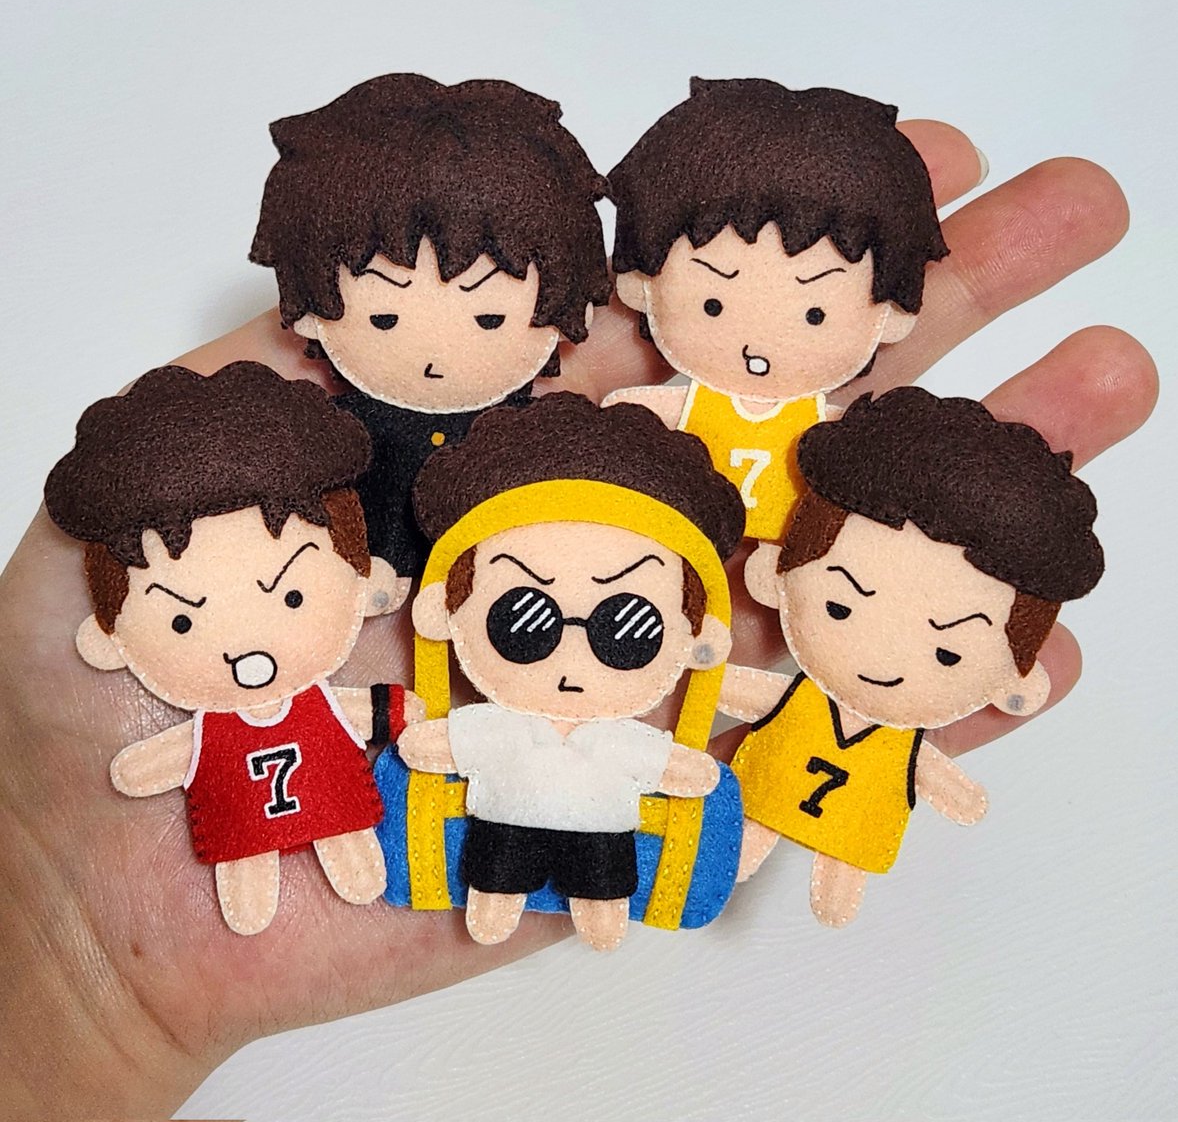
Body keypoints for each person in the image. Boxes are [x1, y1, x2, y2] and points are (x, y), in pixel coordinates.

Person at [0, 120, 1153, 1116]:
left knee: (640, 855)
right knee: (469, 858)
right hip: (451, 780)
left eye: (626, 635)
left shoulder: (774, 501)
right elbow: (394, 720)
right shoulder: (389, 528)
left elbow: (723, 721)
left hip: (618, 781)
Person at [42, 361, 421, 934]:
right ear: (110, 638)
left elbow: (372, 712)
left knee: (350, 847)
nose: (247, 648)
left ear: (362, 584)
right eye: (181, 622)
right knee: (247, 876)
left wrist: (393, 711)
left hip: (333, 802)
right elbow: (145, 768)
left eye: (291, 595)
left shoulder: (312, 701)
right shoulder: (212, 726)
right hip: (243, 821)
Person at [720, 386, 1104, 925]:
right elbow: (738, 690)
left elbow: (930, 771)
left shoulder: (899, 737)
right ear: (773, 575)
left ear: (1015, 678)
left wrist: (957, 793)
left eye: (948, 652)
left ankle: (828, 875)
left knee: (845, 856)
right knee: (750, 826)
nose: (882, 658)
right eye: (840, 607)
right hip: (767, 787)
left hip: (858, 819)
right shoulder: (807, 703)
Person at [397, 392, 744, 950]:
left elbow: (685, 772)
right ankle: (499, 906)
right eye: (525, 620)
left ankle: (599, 912)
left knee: (602, 882)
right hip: (504, 828)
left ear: (696, 637)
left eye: (625, 628)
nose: (572, 654)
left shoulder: (617, 741)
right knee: (496, 874)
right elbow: (428, 746)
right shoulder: (502, 728)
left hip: (602, 834)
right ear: (446, 611)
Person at [250, 74, 612, 575]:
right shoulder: (336, 434)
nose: (434, 357)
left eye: (489, 318)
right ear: (312, 313)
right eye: (384, 318)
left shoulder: (537, 436)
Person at [604, 78, 946, 543]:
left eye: (814, 314)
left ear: (891, 316)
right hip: (682, 534)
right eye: (713, 305)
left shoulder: (830, 430)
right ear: (641, 284)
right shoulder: (682, 408)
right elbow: (630, 417)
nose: (756, 345)